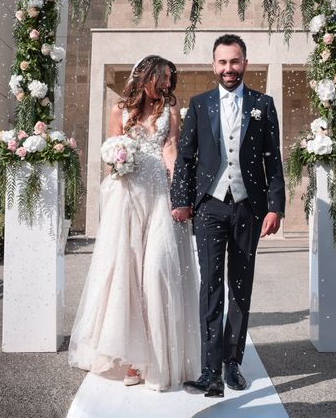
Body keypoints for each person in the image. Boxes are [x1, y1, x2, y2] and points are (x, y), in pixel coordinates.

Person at [68, 55, 200, 390]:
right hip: (127, 196)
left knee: (157, 271)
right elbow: (113, 148)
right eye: (164, 78)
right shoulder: (119, 110)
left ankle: (159, 358)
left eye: (171, 80)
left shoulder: (170, 109)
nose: (168, 85)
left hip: (160, 196)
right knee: (127, 273)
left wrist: (179, 191)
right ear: (146, 76)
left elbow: (170, 148)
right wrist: (118, 161)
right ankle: (131, 360)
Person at [171, 34, 286, 397]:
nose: (228, 69)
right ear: (213, 65)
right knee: (210, 285)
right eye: (222, 62)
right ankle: (209, 369)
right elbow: (185, 159)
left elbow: (273, 159)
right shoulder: (200, 104)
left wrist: (275, 207)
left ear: (245, 63)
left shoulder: (263, 104)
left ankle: (232, 363)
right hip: (209, 206)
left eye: (234, 62)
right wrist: (181, 200)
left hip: (247, 208)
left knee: (240, 283)